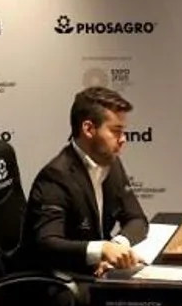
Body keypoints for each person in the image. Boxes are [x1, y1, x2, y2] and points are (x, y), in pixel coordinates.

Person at [22, 86, 148, 277]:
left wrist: (117, 247)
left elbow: (137, 218)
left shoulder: (111, 162)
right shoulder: (55, 176)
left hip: (98, 271)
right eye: (116, 131)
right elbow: (48, 244)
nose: (123, 140)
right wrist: (101, 251)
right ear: (88, 128)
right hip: (60, 280)